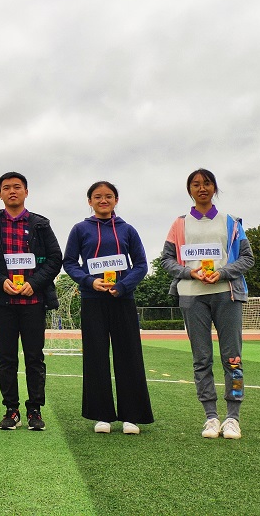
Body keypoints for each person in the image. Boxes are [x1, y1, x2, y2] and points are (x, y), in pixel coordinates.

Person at [161, 168, 255, 440]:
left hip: (227, 294)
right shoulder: (179, 224)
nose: (202, 188)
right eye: (196, 184)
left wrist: (222, 273)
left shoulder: (231, 222)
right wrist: (189, 272)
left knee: (233, 358)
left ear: (214, 188)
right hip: (191, 296)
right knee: (201, 359)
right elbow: (167, 260)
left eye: (207, 183)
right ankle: (211, 417)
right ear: (189, 190)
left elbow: (247, 258)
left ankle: (233, 418)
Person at [0, 172, 61, 431]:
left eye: (17, 187)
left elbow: (55, 258)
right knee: (6, 358)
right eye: (6, 188)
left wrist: (35, 283)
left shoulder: (40, 225)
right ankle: (11, 410)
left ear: (26, 192)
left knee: (35, 358)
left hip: (33, 302)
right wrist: (1, 282)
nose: (12, 191)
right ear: (0, 193)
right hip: (3, 303)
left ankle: (35, 410)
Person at [62, 180, 154, 434]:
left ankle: (131, 416)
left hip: (122, 299)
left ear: (116, 200)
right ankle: (101, 415)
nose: (103, 200)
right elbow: (69, 262)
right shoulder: (80, 229)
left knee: (129, 355)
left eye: (109, 196)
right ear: (89, 201)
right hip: (92, 300)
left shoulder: (128, 230)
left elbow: (141, 265)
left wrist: (123, 286)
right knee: (96, 356)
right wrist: (89, 281)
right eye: (98, 196)